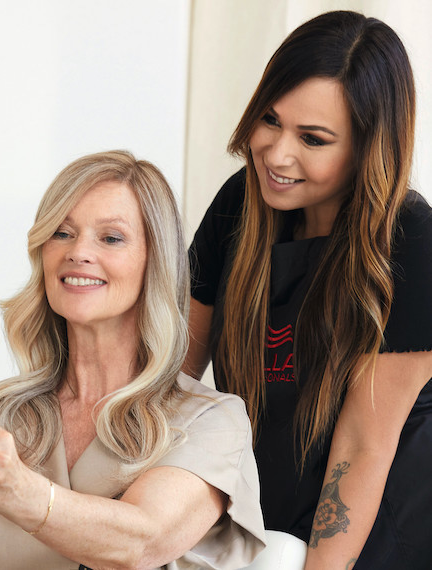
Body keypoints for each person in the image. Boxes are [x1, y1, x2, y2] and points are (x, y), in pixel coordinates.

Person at [0, 150, 266, 569]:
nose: (78, 252)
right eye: (61, 233)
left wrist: (18, 489)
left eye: (110, 238)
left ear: (156, 263)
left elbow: (140, 544)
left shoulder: (211, 421)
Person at [185, 10, 432, 570]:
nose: (276, 155)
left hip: (376, 528)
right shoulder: (239, 205)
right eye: (269, 120)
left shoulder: (410, 242)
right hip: (266, 516)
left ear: (369, 148)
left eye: (313, 139)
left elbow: (363, 447)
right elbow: (172, 375)